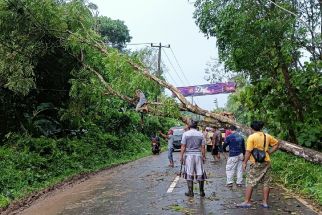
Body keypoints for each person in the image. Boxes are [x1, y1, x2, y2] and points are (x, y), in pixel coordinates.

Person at [237, 121, 280, 209]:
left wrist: (244, 162)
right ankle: (265, 203)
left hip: (256, 162)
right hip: (266, 161)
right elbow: (277, 144)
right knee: (266, 182)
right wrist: (270, 152)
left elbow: (248, 152)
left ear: (252, 128)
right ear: (260, 128)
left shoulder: (251, 137)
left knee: (250, 181)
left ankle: (247, 201)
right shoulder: (267, 136)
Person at [180, 121, 207, 197]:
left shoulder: (186, 134)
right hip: (198, 155)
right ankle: (201, 192)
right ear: (196, 126)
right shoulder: (201, 134)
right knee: (200, 173)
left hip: (189, 156)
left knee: (189, 173)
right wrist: (204, 156)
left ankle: (190, 192)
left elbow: (183, 146)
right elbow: (203, 147)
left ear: (189, 126)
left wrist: (181, 157)